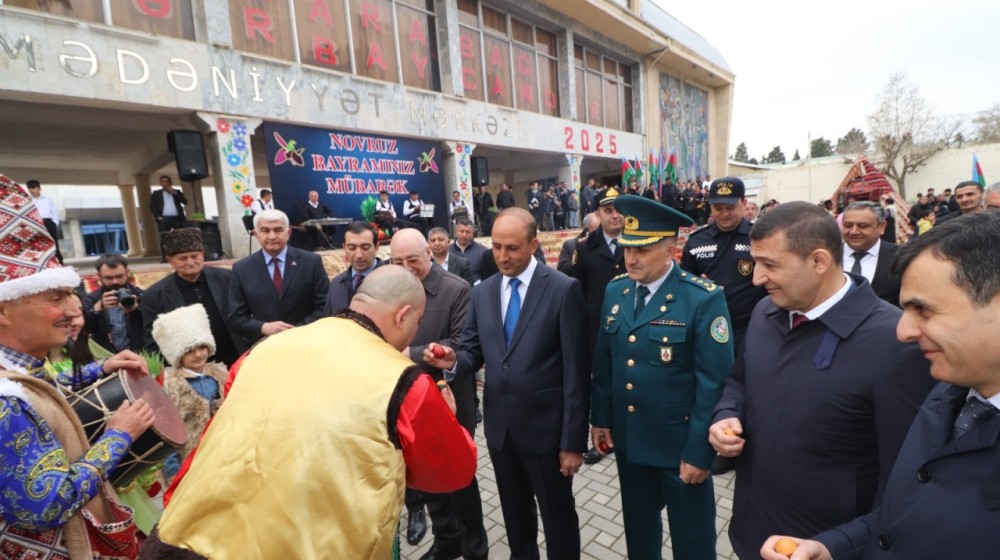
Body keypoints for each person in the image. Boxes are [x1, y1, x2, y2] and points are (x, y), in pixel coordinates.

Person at [140, 266, 477, 559]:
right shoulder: (403, 381)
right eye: (418, 321)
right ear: (403, 315)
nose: (416, 332)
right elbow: (452, 472)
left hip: (188, 533)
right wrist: (449, 418)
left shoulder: (265, 348)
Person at [760, 211, 1000, 560]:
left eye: (924, 311)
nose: (903, 332)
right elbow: (907, 512)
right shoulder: (949, 395)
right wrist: (830, 547)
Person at [708, 201, 936, 559]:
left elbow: (905, 481)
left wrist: (839, 544)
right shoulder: (766, 311)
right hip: (752, 531)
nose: (756, 278)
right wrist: (726, 414)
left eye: (770, 265)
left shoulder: (896, 343)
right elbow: (739, 381)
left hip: (823, 547)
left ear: (818, 261)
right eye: (756, 262)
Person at [0, 173, 154, 560]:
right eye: (56, 297)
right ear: (3, 310)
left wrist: (102, 368)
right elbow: (43, 505)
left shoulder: (19, 374)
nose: (74, 310)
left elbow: (46, 388)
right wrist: (118, 436)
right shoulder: (5, 401)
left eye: (72, 295)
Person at [425, 208, 590, 560]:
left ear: (533, 245)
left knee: (558, 518)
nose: (502, 256)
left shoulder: (562, 289)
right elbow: (472, 350)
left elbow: (576, 372)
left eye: (512, 248)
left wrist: (573, 442)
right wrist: (454, 361)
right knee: (515, 518)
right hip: (501, 432)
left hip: (548, 434)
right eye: (497, 247)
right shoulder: (483, 292)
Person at [590, 195, 734, 559]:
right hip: (630, 442)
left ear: (672, 249)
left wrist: (700, 452)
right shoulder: (617, 290)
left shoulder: (702, 298)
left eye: (643, 249)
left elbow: (713, 384)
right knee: (640, 537)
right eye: (627, 248)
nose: (631, 258)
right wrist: (601, 419)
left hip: (679, 448)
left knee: (693, 543)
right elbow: (605, 362)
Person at [390, 229, 487, 560]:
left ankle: (475, 547)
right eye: (397, 262)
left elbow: (461, 344)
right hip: (409, 401)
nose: (406, 268)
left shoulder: (456, 289)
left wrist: (410, 353)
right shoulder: (391, 290)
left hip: (450, 398)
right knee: (426, 475)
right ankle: (447, 540)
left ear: (428, 254)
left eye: (412, 260)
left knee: (460, 476)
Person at [570, 188, 627, 465]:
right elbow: (578, 292)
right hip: (597, 331)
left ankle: (624, 432)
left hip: (631, 328)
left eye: (619, 210)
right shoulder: (584, 248)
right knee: (599, 383)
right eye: (608, 210)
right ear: (598, 214)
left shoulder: (637, 241)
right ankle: (601, 436)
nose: (615, 215)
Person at [681, 177, 768, 355]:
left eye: (730, 207)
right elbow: (683, 285)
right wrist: (699, 286)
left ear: (744, 203)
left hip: (752, 327)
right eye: (718, 208)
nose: (724, 214)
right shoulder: (697, 241)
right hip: (707, 327)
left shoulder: (760, 237)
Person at [141, 228, 244, 367]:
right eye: (182, 258)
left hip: (237, 358)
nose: (190, 262)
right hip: (191, 369)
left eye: (194, 256)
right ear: (170, 260)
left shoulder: (227, 278)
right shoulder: (155, 295)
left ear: (202, 254)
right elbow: (153, 340)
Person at [228, 209, 329, 346]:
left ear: (288, 233)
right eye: (265, 230)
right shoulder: (242, 269)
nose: (272, 236)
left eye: (278, 230)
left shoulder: (311, 262)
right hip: (263, 346)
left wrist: (296, 330)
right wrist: (263, 327)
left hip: (306, 342)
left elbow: (325, 307)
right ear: (256, 234)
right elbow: (235, 318)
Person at [151, 304, 226, 480]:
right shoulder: (171, 385)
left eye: (201, 347)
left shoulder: (220, 374)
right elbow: (165, 426)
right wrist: (171, 463)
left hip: (224, 447)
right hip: (193, 457)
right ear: (178, 355)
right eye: (190, 351)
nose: (198, 354)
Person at [840, 201, 901, 307]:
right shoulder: (827, 255)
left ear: (881, 227)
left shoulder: (901, 256)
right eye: (848, 225)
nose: (854, 231)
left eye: (862, 226)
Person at [84, 253, 145, 353]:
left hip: (140, 353)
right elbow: (83, 330)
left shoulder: (142, 296)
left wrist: (137, 310)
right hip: (105, 356)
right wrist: (96, 310)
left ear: (127, 272)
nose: (115, 282)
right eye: (109, 278)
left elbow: (154, 325)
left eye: (119, 276)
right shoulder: (92, 299)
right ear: (99, 276)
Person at [322, 221, 383, 315]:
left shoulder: (392, 282)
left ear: (376, 247)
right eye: (351, 248)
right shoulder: (336, 284)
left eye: (365, 247)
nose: (358, 255)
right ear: (344, 248)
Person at [26, 179, 63, 263]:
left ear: (39, 188)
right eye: (29, 188)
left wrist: (54, 223)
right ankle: (43, 263)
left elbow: (55, 212)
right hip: (36, 223)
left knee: (54, 243)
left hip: (49, 222)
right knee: (38, 244)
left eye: (33, 188)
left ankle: (59, 262)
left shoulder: (48, 200)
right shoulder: (29, 201)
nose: (31, 190)